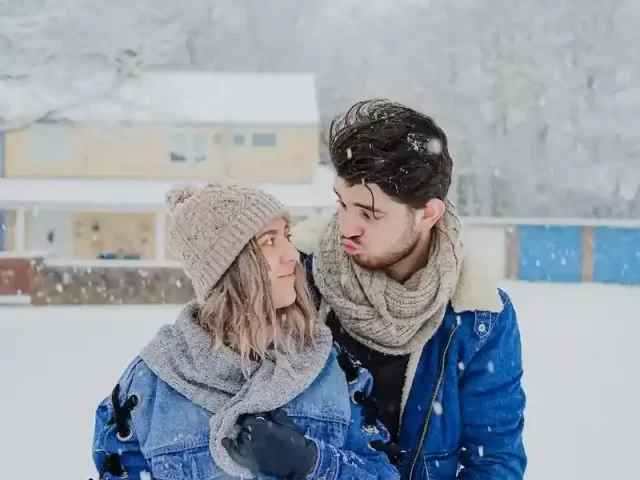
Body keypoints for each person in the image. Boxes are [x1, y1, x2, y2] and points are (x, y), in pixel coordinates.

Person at [91, 183, 400, 480]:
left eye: (286, 236)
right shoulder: (148, 388)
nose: (292, 255)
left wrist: (311, 462)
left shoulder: (331, 371)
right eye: (269, 240)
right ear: (229, 268)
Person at [291, 100, 527, 479]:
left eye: (370, 214)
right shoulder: (295, 275)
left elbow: (494, 461)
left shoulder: (478, 317)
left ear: (428, 214)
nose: (348, 227)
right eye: (342, 203)